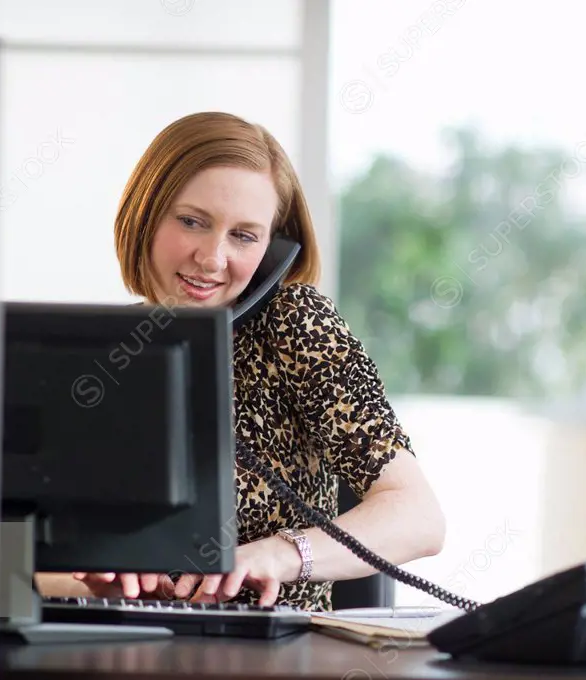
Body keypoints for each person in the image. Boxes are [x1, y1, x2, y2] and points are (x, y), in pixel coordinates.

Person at [36, 111, 446, 611]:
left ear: (275, 250)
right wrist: (93, 578)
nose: (211, 258)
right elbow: (17, 557)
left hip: (272, 660)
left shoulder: (294, 321)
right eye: (191, 221)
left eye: (244, 236)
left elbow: (420, 518)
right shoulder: (101, 350)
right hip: (127, 652)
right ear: (144, 213)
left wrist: (279, 555)